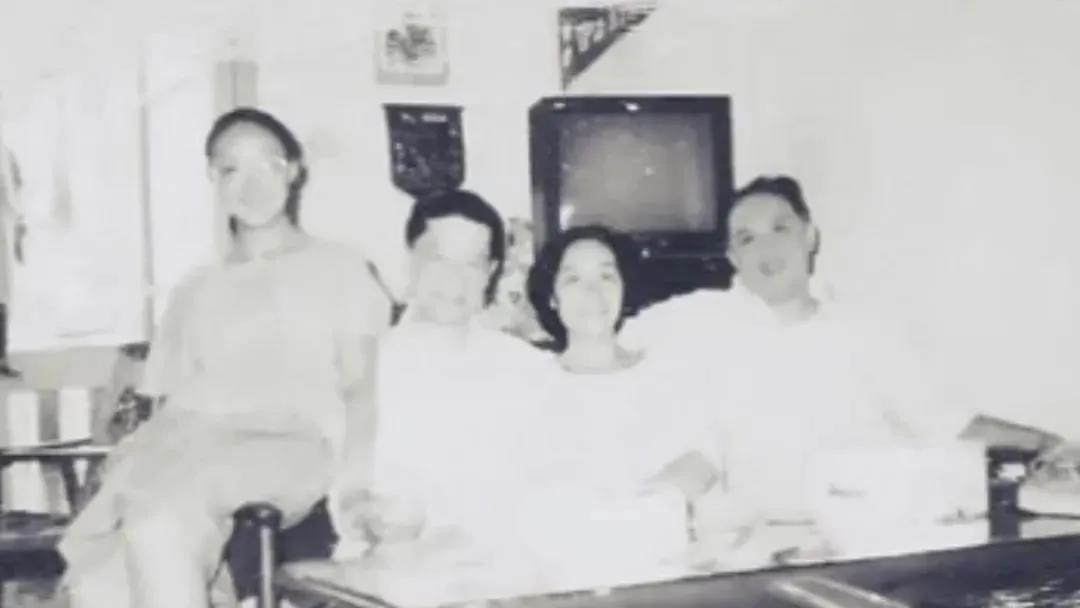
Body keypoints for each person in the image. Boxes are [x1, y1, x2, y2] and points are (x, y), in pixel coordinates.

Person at [58, 107, 390, 608]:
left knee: (158, 521)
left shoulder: (341, 269)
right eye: (231, 169)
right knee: (99, 584)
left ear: (294, 171)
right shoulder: (196, 287)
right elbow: (166, 403)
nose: (250, 185)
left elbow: (361, 388)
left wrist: (356, 488)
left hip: (290, 442)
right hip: (189, 444)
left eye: (267, 166)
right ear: (213, 178)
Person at [623, 176, 1060, 552]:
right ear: (733, 258)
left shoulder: (864, 331)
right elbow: (607, 341)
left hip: (861, 541)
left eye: (780, 228)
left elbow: (948, 424)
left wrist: (1049, 442)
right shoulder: (696, 322)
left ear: (810, 236)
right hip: (752, 551)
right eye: (746, 238)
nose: (765, 248)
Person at [333, 189, 548, 556]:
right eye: (439, 259)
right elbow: (345, 494)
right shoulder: (367, 365)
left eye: (472, 264)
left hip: (500, 563)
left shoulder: (527, 368)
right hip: (390, 566)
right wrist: (364, 515)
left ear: (491, 272)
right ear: (409, 260)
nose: (455, 280)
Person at [520, 225, 720, 586]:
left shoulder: (663, 373)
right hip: (567, 582)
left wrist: (655, 501)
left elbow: (703, 459)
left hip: (663, 578)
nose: (592, 292)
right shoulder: (531, 386)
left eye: (606, 276)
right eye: (573, 279)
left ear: (624, 288)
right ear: (552, 297)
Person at [0, 143, 24, 377]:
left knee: (3, 299)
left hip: (3, 232)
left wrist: (18, 229)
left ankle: (2, 358)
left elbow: (15, 187)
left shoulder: (6, 153)